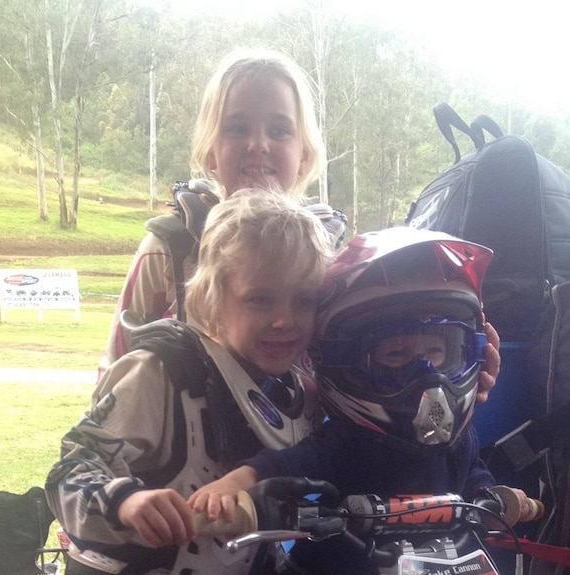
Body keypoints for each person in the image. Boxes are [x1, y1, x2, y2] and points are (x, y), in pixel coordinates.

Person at [45, 190, 334, 575]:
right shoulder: (162, 374)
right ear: (214, 295)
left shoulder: (306, 395)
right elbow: (70, 471)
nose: (285, 320)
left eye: (303, 300)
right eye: (260, 300)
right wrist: (127, 503)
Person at [188, 226, 499, 574]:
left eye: (435, 352)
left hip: (444, 561)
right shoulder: (350, 441)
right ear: (346, 361)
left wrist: (494, 494)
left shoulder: (455, 439)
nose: (424, 374)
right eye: (396, 355)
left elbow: (472, 470)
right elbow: (290, 464)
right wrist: (236, 485)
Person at [99, 47, 331, 374]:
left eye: (279, 131)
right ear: (210, 150)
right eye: (237, 129)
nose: (258, 144)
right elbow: (114, 377)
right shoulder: (167, 252)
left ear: (304, 154)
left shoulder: (327, 256)